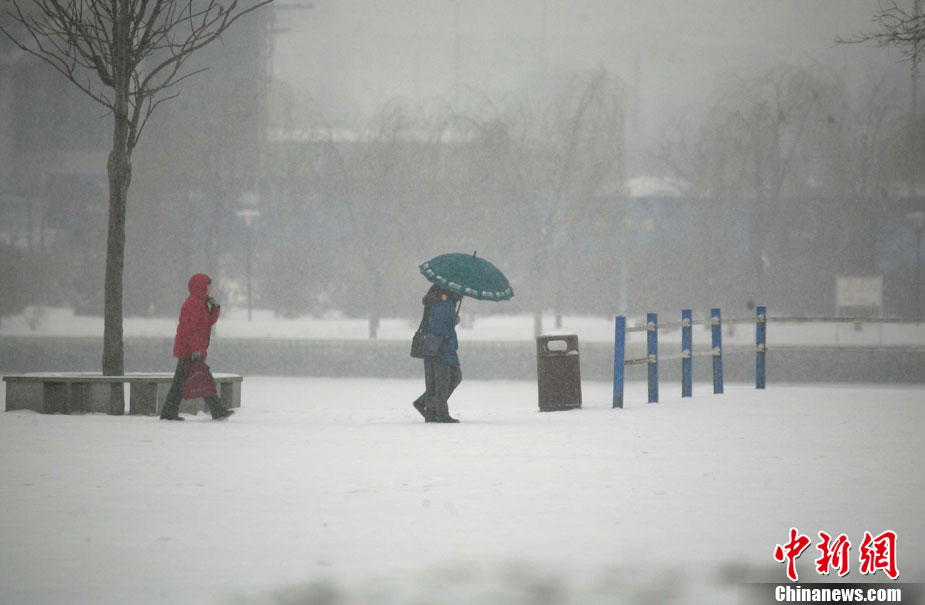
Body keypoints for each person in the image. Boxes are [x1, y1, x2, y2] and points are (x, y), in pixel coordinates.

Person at [159, 273, 234, 421]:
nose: (211, 288)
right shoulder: (193, 303)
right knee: (202, 378)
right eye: (209, 285)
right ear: (202, 287)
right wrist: (195, 349)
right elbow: (190, 328)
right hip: (189, 351)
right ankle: (217, 410)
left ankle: (170, 411)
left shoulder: (200, 303)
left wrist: (215, 308)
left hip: (191, 350)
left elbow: (207, 323)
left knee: (190, 380)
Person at [421, 287, 463, 423]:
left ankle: (428, 407)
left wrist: (453, 319)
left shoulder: (449, 303)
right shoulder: (444, 302)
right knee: (442, 382)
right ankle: (440, 413)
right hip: (440, 347)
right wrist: (451, 320)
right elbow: (438, 326)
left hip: (443, 347)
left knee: (445, 379)